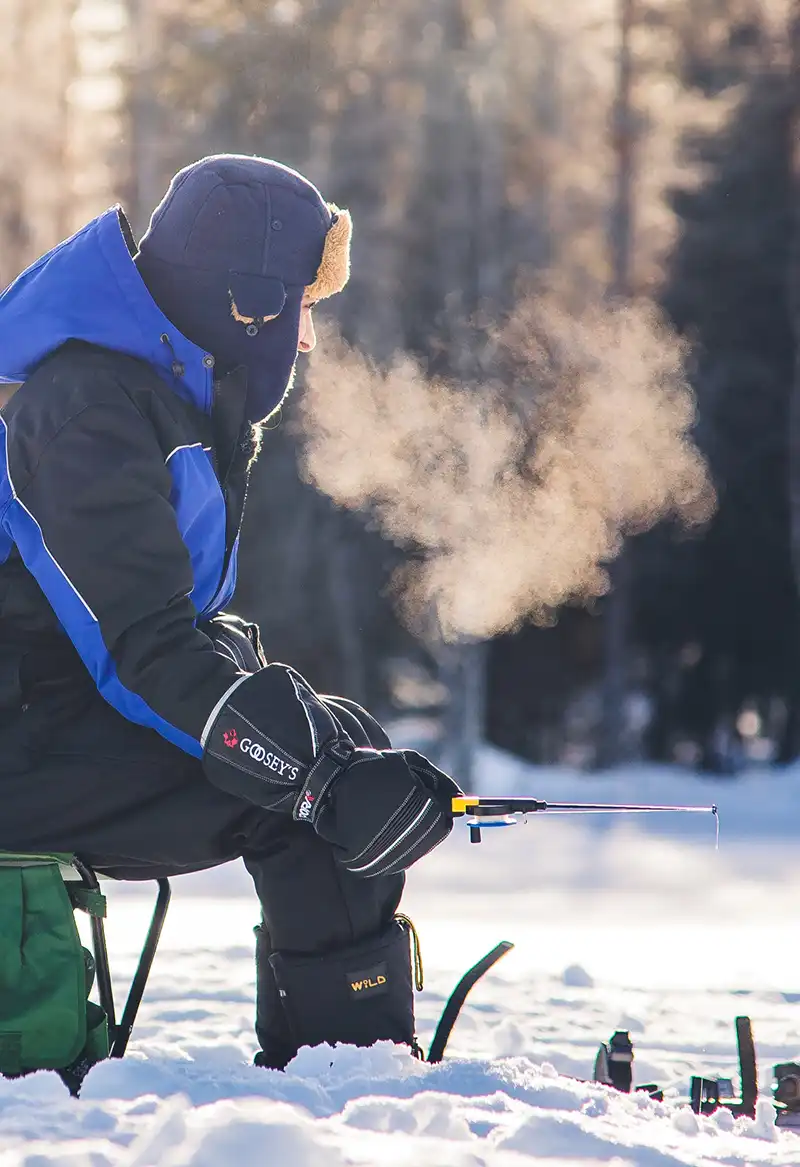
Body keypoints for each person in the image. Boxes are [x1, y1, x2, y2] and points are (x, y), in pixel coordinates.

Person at [0, 154, 460, 1069]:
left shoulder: (154, 395)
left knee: (342, 750)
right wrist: (312, 778)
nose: (303, 338)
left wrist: (320, 745)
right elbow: (144, 645)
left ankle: (348, 1059)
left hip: (48, 718)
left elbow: (166, 623)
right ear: (245, 302)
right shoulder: (85, 409)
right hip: (22, 742)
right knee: (308, 804)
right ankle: (341, 1079)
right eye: (298, 305)